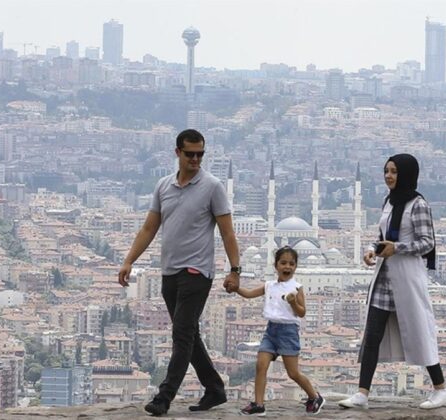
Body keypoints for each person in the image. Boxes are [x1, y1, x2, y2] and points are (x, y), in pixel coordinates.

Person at [117, 129, 241, 416]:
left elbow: (227, 233)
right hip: (169, 272)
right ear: (178, 153)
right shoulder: (164, 186)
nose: (196, 159)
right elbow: (150, 227)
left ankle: (164, 397)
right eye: (190, 154)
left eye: (200, 154)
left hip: (197, 273)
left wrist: (235, 270)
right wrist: (129, 261)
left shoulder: (212, 187)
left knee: (181, 335)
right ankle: (215, 388)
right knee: (189, 335)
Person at [338, 153, 446, 410]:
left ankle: (441, 388)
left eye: (394, 172)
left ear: (406, 174)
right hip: (385, 276)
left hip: (407, 277)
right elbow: (380, 236)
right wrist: (372, 249)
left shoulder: (418, 204)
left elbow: (427, 243)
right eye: (386, 171)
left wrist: (396, 248)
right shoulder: (389, 202)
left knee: (419, 330)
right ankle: (362, 393)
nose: (389, 176)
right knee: (372, 335)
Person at [235, 246, 325, 416]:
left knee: (293, 373)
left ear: (296, 267)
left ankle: (314, 396)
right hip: (271, 330)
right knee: (261, 365)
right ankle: (258, 404)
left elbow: (302, 312)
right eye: (283, 263)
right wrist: (236, 288)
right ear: (275, 265)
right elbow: (249, 293)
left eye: (291, 264)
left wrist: (292, 302)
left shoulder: (297, 287)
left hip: (288, 332)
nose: (287, 267)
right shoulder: (269, 285)